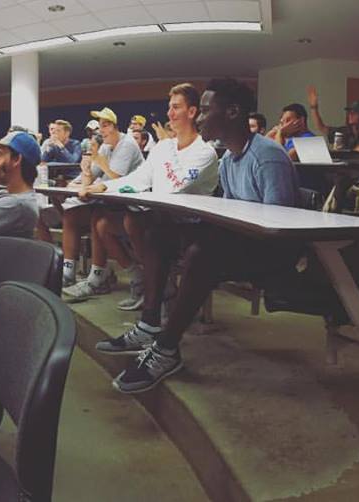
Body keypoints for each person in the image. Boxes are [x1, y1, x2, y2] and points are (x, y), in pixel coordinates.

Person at [101, 78, 300, 394]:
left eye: (206, 110)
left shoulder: (267, 156)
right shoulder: (230, 159)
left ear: (232, 112)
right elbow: (232, 213)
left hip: (272, 250)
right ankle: (150, 323)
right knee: (158, 231)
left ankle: (166, 348)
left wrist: (212, 237)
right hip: (245, 238)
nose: (201, 117)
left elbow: (279, 228)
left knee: (203, 252)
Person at [68, 83, 220, 308]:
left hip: (189, 227)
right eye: (169, 107)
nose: (169, 113)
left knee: (134, 221)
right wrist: (103, 187)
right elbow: (140, 178)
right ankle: (150, 284)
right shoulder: (164, 147)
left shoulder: (205, 152)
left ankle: (159, 290)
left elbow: (175, 186)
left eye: (176, 107)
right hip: (160, 220)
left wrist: (168, 147)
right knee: (105, 224)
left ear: (192, 112)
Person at [46, 107, 144, 286]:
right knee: (71, 215)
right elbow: (90, 178)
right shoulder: (106, 147)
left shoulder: (128, 144)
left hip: (133, 207)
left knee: (98, 216)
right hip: (112, 203)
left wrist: (98, 162)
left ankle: (98, 277)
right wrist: (86, 170)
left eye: (106, 125)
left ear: (115, 127)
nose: (102, 130)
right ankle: (68, 272)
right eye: (100, 126)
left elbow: (116, 178)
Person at [307, 86, 359, 155]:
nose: (350, 115)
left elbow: (357, 153)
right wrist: (314, 107)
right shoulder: (346, 130)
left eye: (354, 113)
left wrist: (340, 152)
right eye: (350, 112)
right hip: (348, 163)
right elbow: (322, 128)